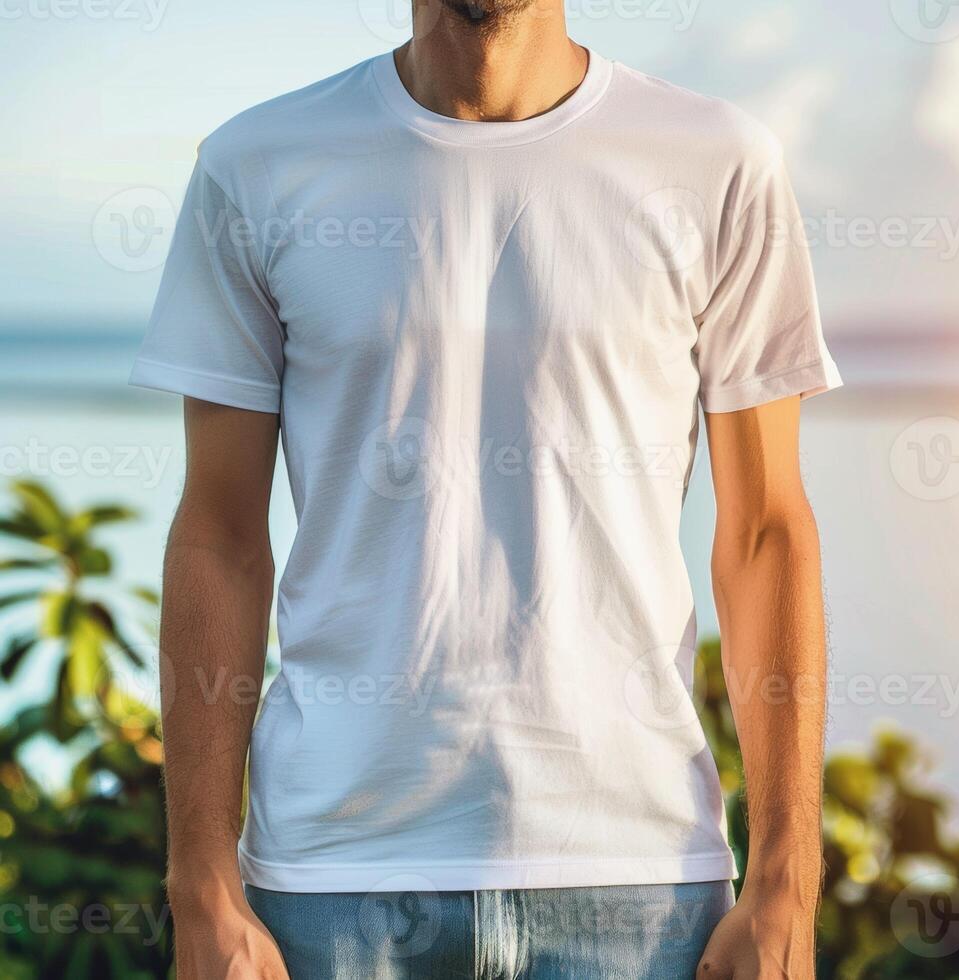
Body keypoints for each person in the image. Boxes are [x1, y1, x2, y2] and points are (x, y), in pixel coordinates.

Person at [130, 1, 841, 976]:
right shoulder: (256, 163)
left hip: (638, 883)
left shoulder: (716, 161)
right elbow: (218, 531)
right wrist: (200, 881)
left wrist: (785, 883)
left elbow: (765, 531)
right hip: (329, 886)